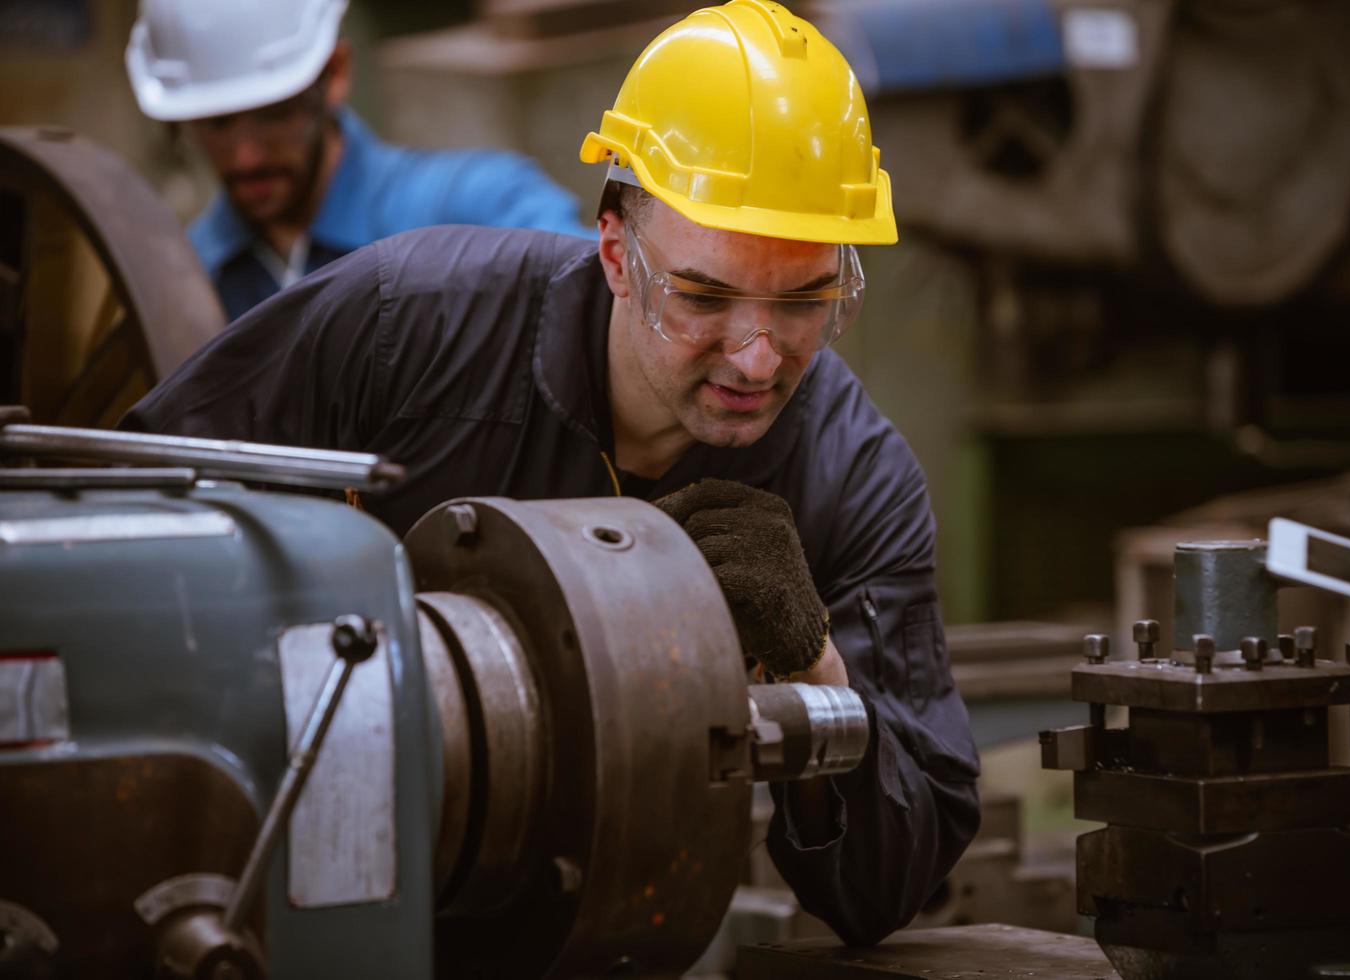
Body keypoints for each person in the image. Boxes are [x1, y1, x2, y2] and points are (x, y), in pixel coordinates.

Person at [124, 0, 980, 946]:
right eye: (703, 296)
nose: (757, 358)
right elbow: (130, 525)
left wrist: (816, 669)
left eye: (806, 303)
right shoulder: (403, 329)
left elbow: (898, 875)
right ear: (617, 251)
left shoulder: (851, 476)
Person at [125, 0, 591, 322]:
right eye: (216, 124)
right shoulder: (190, 277)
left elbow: (595, 300)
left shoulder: (483, 206)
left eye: (273, 115)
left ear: (335, 75)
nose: (246, 157)